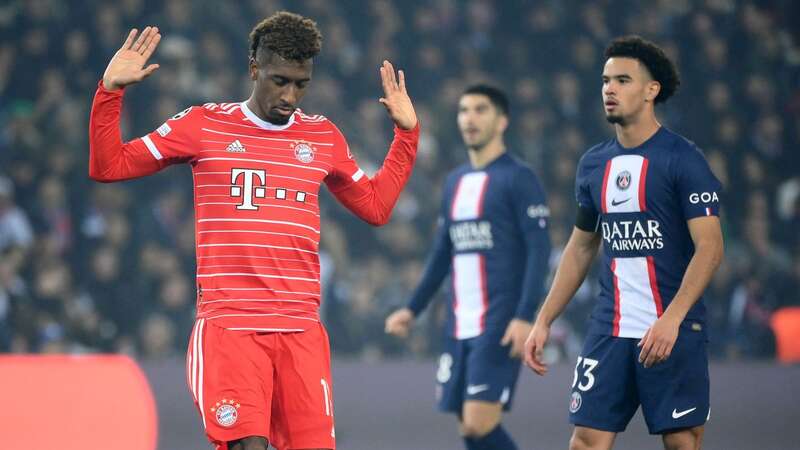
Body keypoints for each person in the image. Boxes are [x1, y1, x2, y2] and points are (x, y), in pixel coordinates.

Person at [89, 12, 419, 450]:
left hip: (302, 330)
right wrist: (110, 92)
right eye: (279, 80)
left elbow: (376, 207)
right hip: (232, 327)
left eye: (301, 84)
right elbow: (109, 165)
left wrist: (406, 134)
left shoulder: (322, 136)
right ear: (253, 68)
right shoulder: (203, 125)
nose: (290, 95)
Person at [523, 36, 724, 450]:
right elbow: (581, 248)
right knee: (585, 442)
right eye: (605, 80)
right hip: (610, 328)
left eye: (623, 80)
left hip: (674, 327)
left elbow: (710, 248)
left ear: (651, 91)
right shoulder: (594, 163)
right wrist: (544, 319)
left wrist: (672, 319)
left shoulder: (683, 159)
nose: (609, 89)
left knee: (682, 443)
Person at [385, 85, 551, 450]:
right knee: (467, 427)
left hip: (500, 321)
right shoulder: (455, 182)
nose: (470, 119)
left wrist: (526, 316)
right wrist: (412, 309)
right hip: (459, 324)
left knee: (478, 424)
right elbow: (442, 253)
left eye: (480, 110)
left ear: (502, 121)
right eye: (463, 111)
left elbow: (540, 251)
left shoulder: (519, 178)